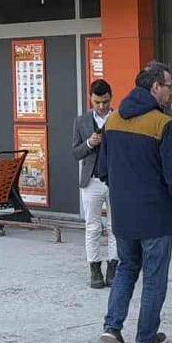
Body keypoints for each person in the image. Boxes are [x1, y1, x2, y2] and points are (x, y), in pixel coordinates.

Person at [96, 61, 172, 343]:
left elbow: (103, 169)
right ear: (155, 87)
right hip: (156, 215)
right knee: (154, 276)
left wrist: (122, 194)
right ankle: (146, 337)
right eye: (168, 86)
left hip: (123, 214)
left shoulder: (112, 121)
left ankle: (112, 327)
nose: (170, 92)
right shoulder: (163, 124)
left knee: (126, 268)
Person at [71, 79, 117, 289]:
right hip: (91, 181)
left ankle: (113, 268)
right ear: (90, 99)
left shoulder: (119, 118)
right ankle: (95, 270)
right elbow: (75, 152)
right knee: (92, 226)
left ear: (111, 97)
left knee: (116, 227)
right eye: (97, 102)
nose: (101, 106)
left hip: (116, 180)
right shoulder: (81, 121)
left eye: (105, 101)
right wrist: (89, 143)